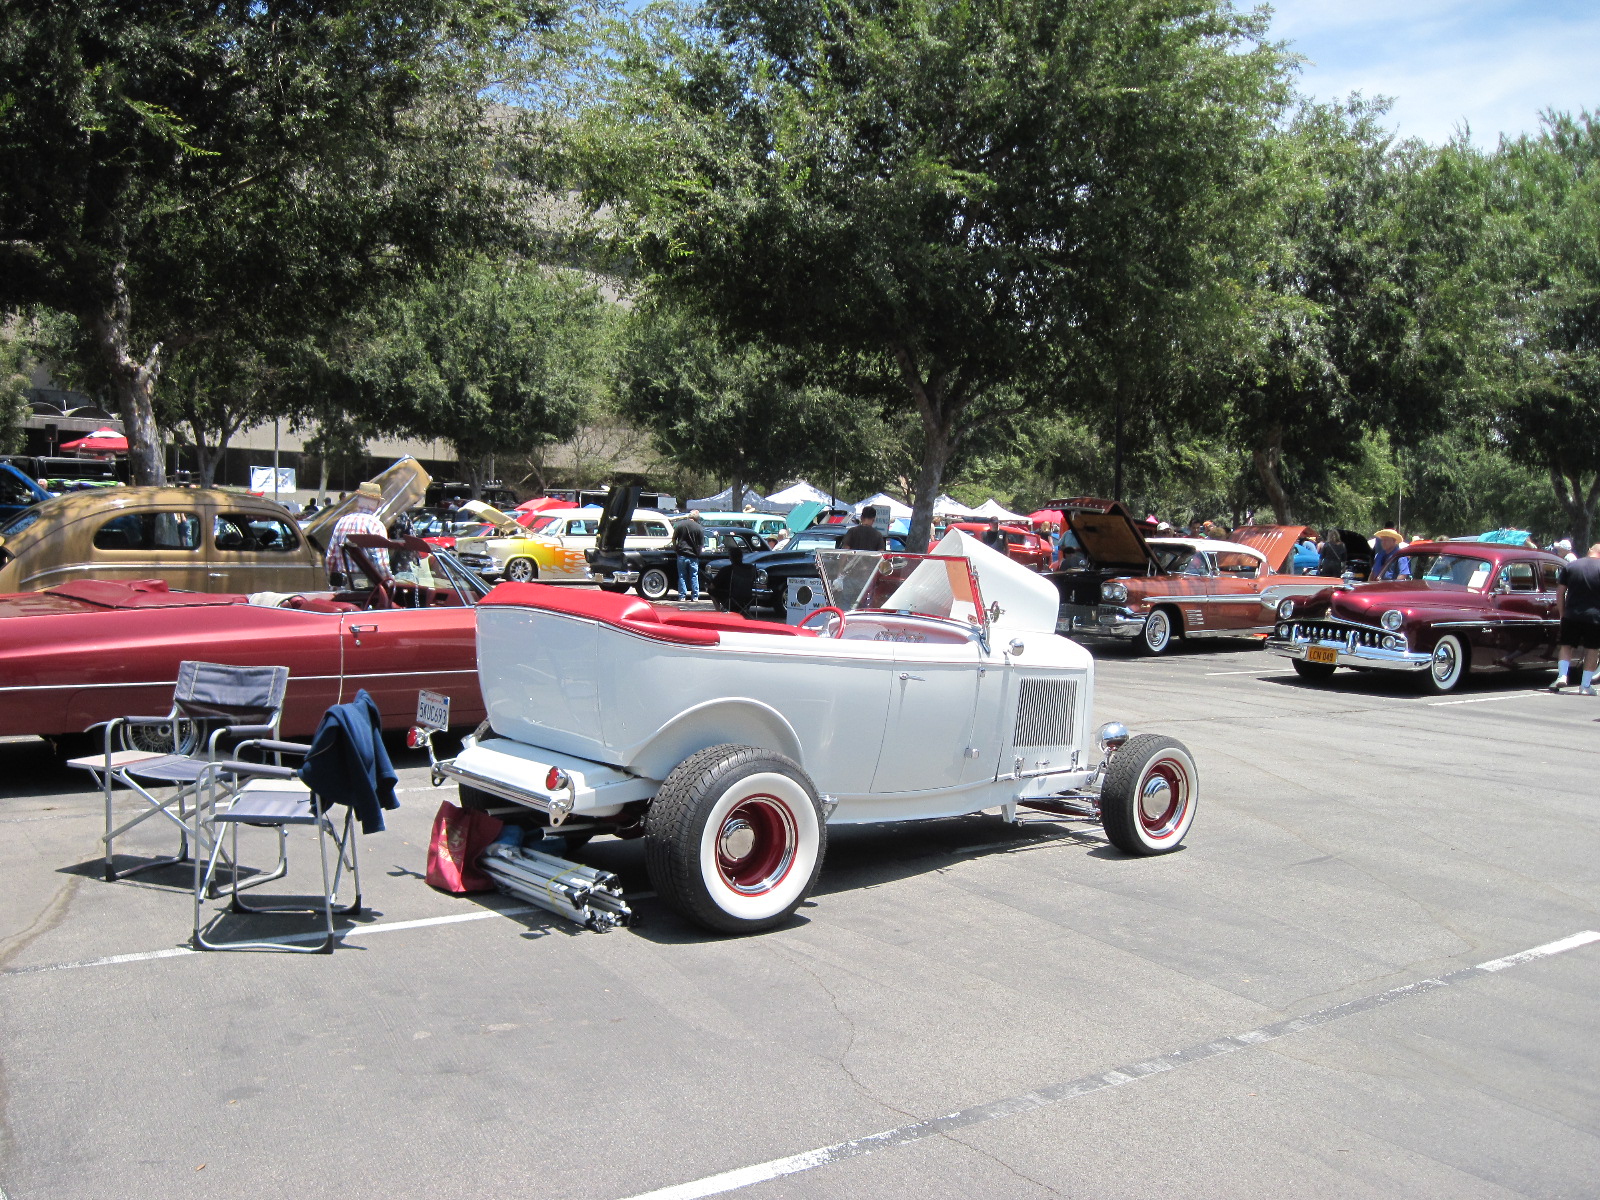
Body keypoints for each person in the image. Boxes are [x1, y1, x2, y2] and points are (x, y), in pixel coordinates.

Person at [1547, 543, 1600, 695]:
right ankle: (1585, 685)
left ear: (1590, 550)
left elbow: (1560, 592)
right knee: (1592, 650)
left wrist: (1562, 613)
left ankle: (1562, 675)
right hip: (1595, 616)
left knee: (1566, 646)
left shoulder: (1571, 566)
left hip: (1571, 614)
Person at [324, 481, 391, 587]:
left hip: (343, 583)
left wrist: (330, 582)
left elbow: (331, 557)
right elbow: (380, 563)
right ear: (377, 503)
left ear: (358, 500)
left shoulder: (342, 522)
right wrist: (389, 583)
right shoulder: (376, 525)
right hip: (366, 584)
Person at [673, 509, 706, 599]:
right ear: (697, 518)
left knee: (682, 576)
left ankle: (682, 596)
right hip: (693, 555)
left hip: (682, 554)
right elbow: (701, 544)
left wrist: (675, 547)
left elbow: (674, 538)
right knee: (694, 576)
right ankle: (695, 596)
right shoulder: (699, 528)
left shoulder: (680, 525)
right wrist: (699, 553)